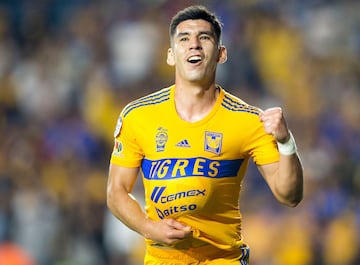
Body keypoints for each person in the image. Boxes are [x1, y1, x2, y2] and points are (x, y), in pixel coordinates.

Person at [106, 5, 303, 265]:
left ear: (221, 54)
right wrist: (149, 228)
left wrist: (286, 142)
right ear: (170, 55)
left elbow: (289, 196)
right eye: (184, 38)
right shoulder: (137, 116)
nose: (194, 45)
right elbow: (116, 191)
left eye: (204, 38)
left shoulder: (247, 120)